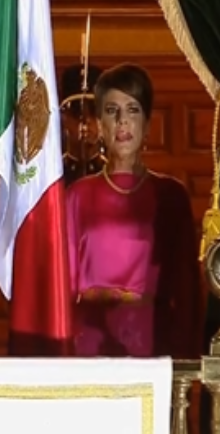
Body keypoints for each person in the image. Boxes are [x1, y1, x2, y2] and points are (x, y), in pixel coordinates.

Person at [67, 63, 200, 358]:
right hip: (90, 347)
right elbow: (63, 286)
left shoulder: (171, 196)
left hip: (152, 343)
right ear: (101, 124)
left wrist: (185, 364)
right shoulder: (78, 195)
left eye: (133, 110)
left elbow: (188, 291)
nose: (123, 122)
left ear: (148, 124)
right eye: (112, 111)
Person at [59, 63, 107, 186]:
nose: (87, 120)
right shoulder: (52, 177)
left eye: (94, 111)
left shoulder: (116, 178)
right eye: (77, 112)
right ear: (64, 118)